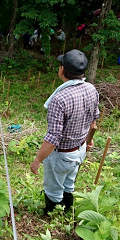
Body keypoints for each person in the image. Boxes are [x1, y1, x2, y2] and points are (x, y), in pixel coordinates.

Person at [30, 49, 100, 214]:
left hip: (62, 155)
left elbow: (53, 138)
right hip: (79, 150)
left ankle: (53, 217)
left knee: (53, 189)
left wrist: (37, 160)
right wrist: (89, 139)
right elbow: (94, 121)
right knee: (69, 184)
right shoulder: (91, 89)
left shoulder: (59, 99)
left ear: (62, 70)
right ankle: (68, 212)